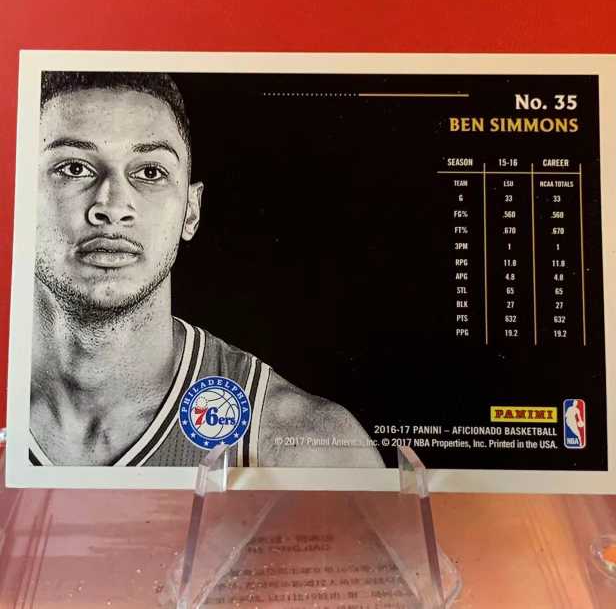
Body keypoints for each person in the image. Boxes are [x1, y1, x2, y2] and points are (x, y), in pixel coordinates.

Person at [29, 71, 383, 469]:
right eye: (73, 168)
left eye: (150, 172)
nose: (112, 207)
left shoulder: (300, 448)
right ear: (18, 194)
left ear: (191, 212)